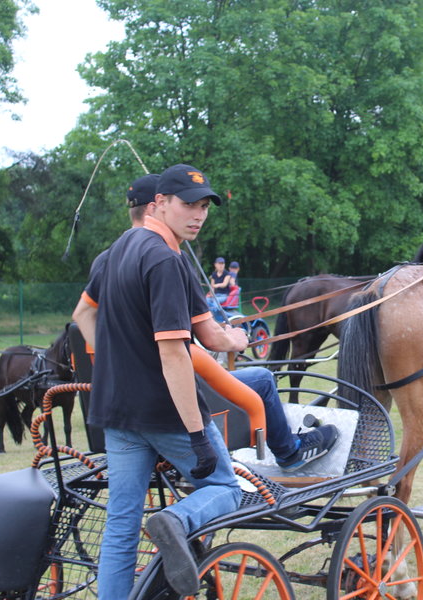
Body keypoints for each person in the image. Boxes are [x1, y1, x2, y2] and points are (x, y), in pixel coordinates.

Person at [73, 169, 338, 597]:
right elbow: (174, 353)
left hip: (115, 412)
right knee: (224, 488)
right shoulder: (165, 259)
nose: (198, 215)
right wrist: (197, 432)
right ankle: (175, 522)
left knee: (120, 527)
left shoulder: (118, 249)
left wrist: (115, 361)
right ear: (160, 203)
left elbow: (83, 315)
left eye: (203, 207)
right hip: (163, 413)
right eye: (188, 205)